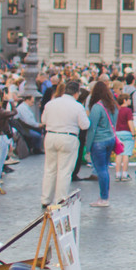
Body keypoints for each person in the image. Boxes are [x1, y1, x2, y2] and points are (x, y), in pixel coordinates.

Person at [39, 80, 90, 208]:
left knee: (50, 169)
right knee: (64, 170)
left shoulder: (51, 104)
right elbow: (85, 125)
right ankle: (60, 199)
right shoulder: (78, 106)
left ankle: (46, 198)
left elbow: (43, 120)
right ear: (76, 93)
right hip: (68, 137)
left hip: (50, 135)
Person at [85, 81, 118, 208]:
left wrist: (88, 147)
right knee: (105, 168)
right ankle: (104, 196)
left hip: (99, 140)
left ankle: (104, 198)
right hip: (110, 138)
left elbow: (92, 128)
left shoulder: (97, 107)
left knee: (101, 170)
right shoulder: (112, 105)